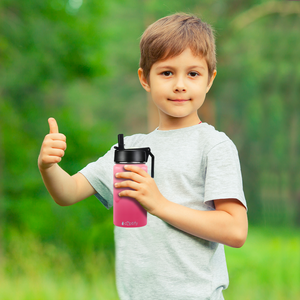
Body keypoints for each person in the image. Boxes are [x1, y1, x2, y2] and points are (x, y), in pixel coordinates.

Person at [38, 13, 248, 300]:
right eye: (166, 72)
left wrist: (159, 204)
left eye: (193, 73)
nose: (180, 85)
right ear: (144, 78)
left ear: (209, 80)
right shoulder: (127, 152)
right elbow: (68, 192)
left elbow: (235, 230)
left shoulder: (214, 146)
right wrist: (48, 166)